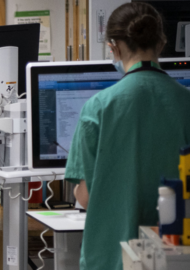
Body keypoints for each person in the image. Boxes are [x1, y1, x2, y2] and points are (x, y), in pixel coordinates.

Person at [65, 3, 190, 270]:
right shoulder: (186, 102)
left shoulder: (98, 107)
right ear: (162, 42)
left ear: (114, 48)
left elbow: (86, 196)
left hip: (113, 256)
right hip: (178, 253)